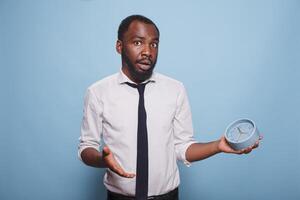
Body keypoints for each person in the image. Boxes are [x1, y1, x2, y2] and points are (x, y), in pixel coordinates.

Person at [78, 15, 261, 200]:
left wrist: (219, 146)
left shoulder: (175, 89)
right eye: (137, 42)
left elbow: (183, 146)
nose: (147, 52)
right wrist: (103, 160)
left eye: (154, 44)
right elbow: (87, 147)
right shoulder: (97, 92)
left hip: (168, 196)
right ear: (119, 46)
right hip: (119, 197)